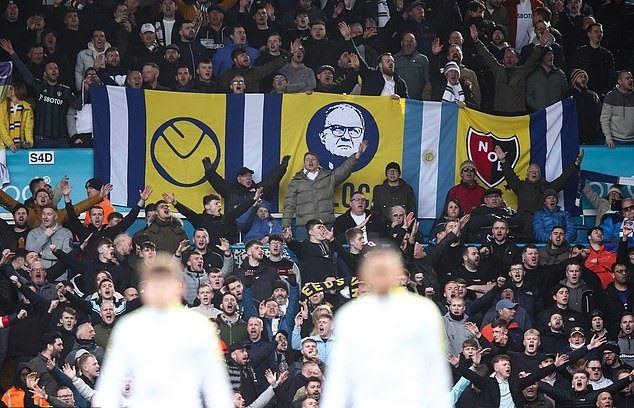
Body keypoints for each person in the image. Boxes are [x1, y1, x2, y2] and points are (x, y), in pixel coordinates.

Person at [94, 254, 234, 407]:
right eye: (155, 284)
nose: (161, 290)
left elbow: (216, 386)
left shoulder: (198, 327)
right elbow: (111, 384)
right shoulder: (128, 328)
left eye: (166, 283)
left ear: (180, 288)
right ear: (145, 290)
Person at [321, 244, 452, 407]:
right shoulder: (350, 315)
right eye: (376, 271)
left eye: (386, 270)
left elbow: (435, 367)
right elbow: (340, 374)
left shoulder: (423, 311)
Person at [282, 141, 368, 240]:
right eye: (307, 159)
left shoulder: (328, 177)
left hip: (325, 224)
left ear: (318, 163)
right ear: (304, 163)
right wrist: (286, 225)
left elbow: (344, 170)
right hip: (304, 226)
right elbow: (289, 205)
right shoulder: (296, 182)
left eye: (313, 159)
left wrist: (357, 155)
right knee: (304, 254)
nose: (310, 161)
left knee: (328, 253)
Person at [495, 145, 582, 238]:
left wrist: (575, 165)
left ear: (540, 174)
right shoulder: (520, 186)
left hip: (542, 225)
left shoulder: (547, 188)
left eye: (537, 171)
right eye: (532, 171)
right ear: (527, 174)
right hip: (524, 226)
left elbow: (563, 179)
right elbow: (510, 176)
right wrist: (503, 161)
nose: (534, 173)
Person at [371, 162, 418, 230]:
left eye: (395, 171)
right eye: (389, 171)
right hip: (383, 228)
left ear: (399, 174)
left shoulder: (407, 189)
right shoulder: (379, 190)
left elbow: (412, 211)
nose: (392, 173)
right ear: (386, 174)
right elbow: (375, 211)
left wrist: (407, 226)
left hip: (403, 227)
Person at [574, 23, 616, 97]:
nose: (599, 34)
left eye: (601, 32)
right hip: (584, 94)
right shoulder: (580, 52)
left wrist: (606, 92)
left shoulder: (607, 55)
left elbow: (611, 76)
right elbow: (576, 73)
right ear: (589, 34)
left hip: (602, 94)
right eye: (596, 32)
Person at [567, 68, 602, 145]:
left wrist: (595, 130)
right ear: (574, 80)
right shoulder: (568, 96)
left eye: (584, 77)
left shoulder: (592, 96)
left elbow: (598, 114)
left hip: (590, 137)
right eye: (580, 77)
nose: (583, 79)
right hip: (573, 136)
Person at [600, 70, 634, 148]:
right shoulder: (610, 97)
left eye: (631, 78)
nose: (631, 80)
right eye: (627, 78)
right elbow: (604, 119)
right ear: (620, 81)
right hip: (615, 142)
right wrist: (608, 138)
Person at [0, 82, 33, 151]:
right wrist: (10, 144)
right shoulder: (2, 106)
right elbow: (1, 127)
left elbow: (28, 128)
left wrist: (28, 142)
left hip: (20, 147)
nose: (8, 90)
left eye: (11, 88)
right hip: (3, 147)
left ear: (18, 90)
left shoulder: (27, 107)